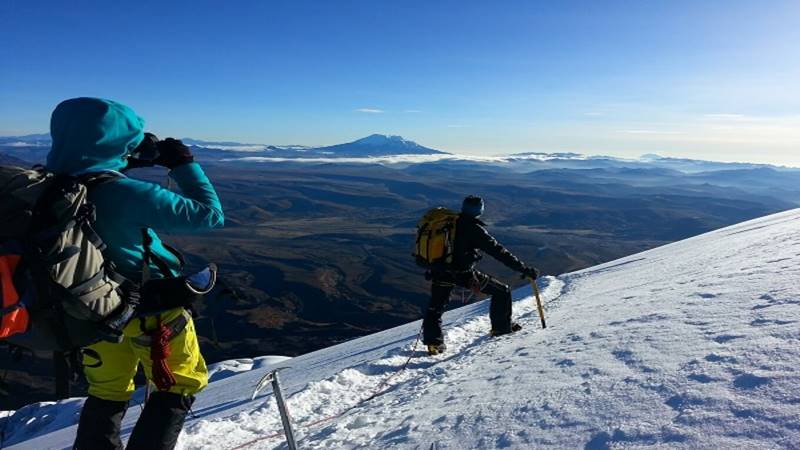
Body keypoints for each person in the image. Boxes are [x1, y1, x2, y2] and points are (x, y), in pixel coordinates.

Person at [44, 97, 224, 450]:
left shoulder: (45, 187)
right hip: (152, 312)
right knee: (178, 385)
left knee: (107, 391)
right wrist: (183, 165)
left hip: (86, 314)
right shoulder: (124, 193)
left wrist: (117, 165)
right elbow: (209, 215)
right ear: (118, 140)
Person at [423, 195, 538, 355]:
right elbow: (499, 252)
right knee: (502, 291)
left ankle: (434, 343)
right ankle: (501, 328)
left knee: (436, 307)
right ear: (479, 210)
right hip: (464, 274)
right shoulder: (474, 229)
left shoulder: (448, 223)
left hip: (440, 271)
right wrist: (523, 269)